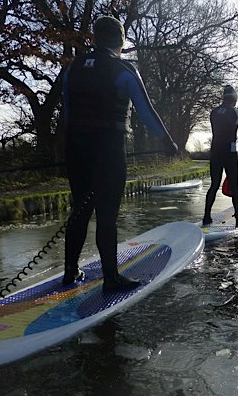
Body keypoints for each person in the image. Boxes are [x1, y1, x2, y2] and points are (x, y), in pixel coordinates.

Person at [62, 15, 178, 292]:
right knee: (107, 215)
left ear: (94, 39)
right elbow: (146, 112)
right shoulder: (123, 70)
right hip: (109, 148)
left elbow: (67, 113)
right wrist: (168, 143)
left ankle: (69, 272)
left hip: (76, 148)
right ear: (121, 41)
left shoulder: (72, 68)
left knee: (79, 210)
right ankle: (111, 278)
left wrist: (75, 144)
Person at [203, 84, 238, 227]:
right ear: (234, 99)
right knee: (235, 186)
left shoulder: (213, 112)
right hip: (229, 154)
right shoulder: (236, 112)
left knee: (214, 185)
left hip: (215, 152)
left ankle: (206, 217)